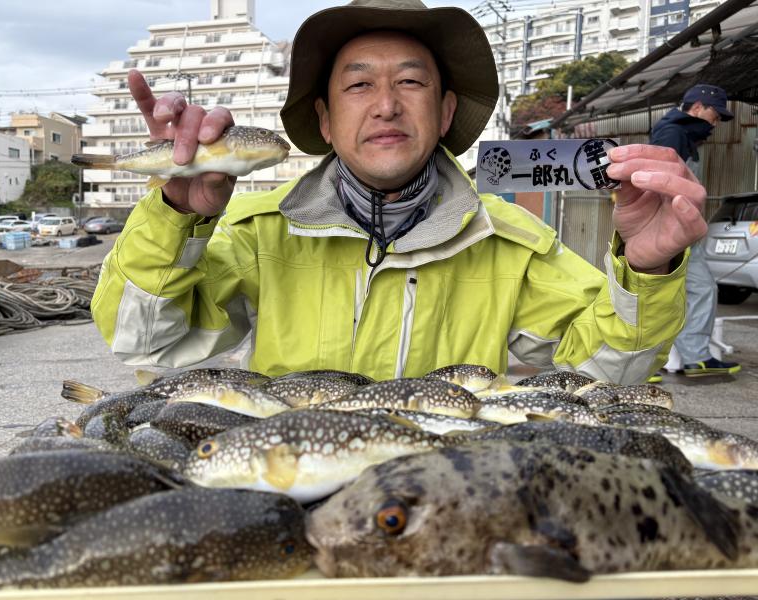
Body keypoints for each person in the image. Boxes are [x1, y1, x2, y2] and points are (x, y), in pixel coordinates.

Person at [91, 0, 708, 385]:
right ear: (326, 121)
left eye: (410, 81)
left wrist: (648, 270)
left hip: (446, 519)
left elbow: (603, 378)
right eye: (358, 86)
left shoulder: (509, 243)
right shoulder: (258, 233)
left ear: (443, 113)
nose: (386, 104)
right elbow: (145, 343)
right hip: (295, 520)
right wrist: (173, 213)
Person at [649, 83, 741, 379]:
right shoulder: (674, 134)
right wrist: (675, 226)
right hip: (676, 228)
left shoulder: (679, 133)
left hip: (676, 227)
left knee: (667, 295)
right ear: (698, 108)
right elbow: (660, 184)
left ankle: (647, 361)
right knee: (700, 289)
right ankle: (696, 358)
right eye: (715, 115)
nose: (715, 123)